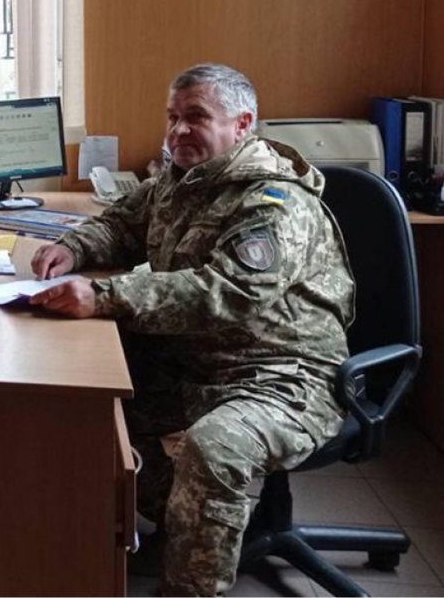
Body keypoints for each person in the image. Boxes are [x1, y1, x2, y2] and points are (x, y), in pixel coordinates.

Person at [28, 63, 353, 596]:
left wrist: (105, 296)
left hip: (281, 375)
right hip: (194, 359)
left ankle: (191, 580)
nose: (178, 130)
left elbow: (228, 291)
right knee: (86, 395)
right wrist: (73, 249)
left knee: (214, 448)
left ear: (242, 123)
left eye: (196, 117)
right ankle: (185, 522)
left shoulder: (274, 202)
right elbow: (120, 223)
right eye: (173, 117)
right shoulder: (180, 180)